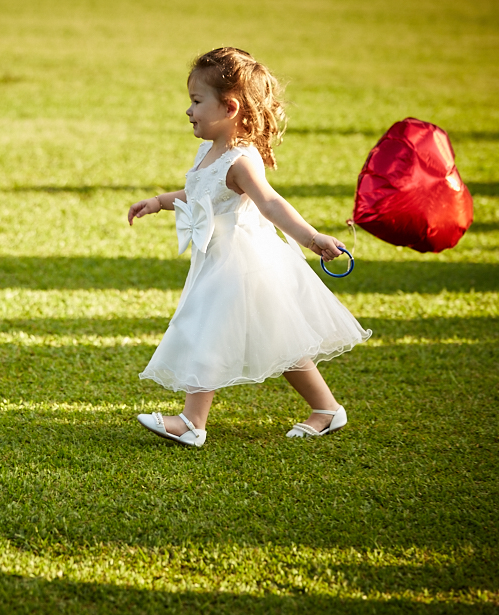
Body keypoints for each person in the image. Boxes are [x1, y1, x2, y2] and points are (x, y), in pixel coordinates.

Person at [128, 47, 371, 447]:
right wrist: (159, 201)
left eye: (196, 101)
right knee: (279, 340)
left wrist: (313, 239)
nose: (189, 111)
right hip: (216, 260)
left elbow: (271, 203)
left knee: (206, 332)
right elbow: (199, 192)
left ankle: (192, 422)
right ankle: (327, 409)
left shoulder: (242, 161)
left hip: (243, 263)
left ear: (229, 106)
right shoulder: (209, 150)